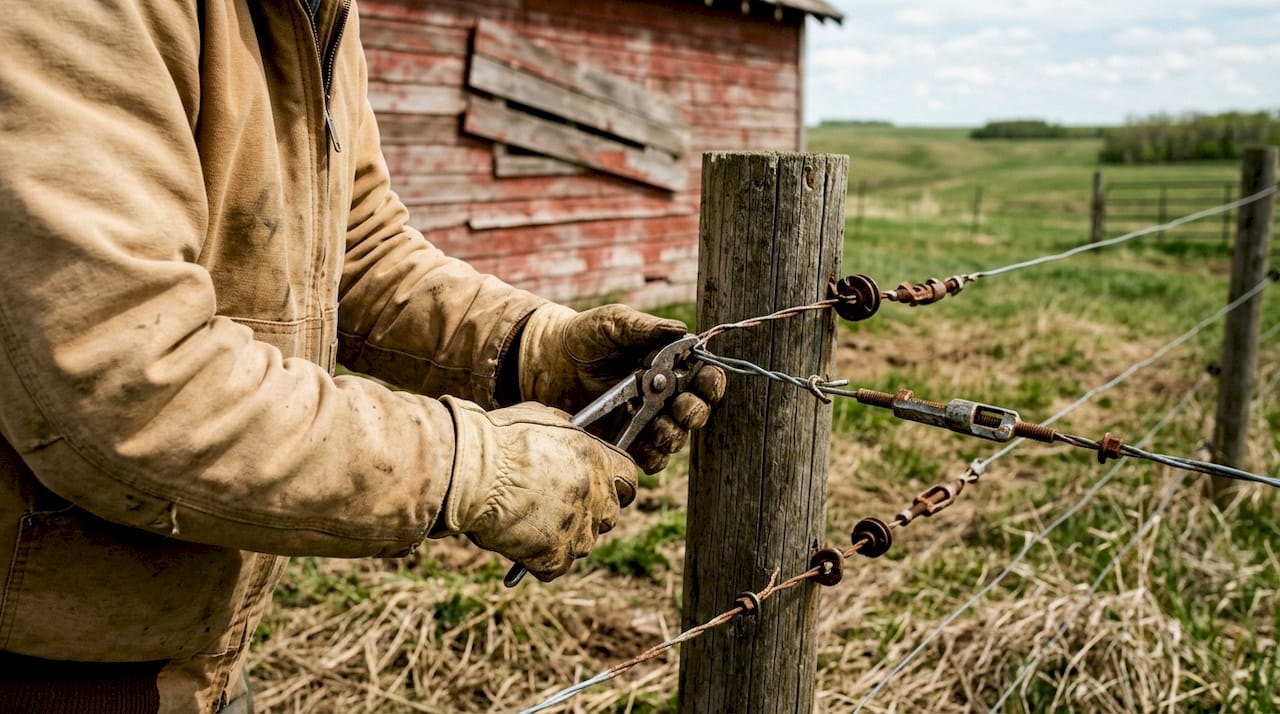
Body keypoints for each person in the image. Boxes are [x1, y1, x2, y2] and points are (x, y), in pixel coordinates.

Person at [0, 1, 725, 711]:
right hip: (45, 665)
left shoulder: (317, 15)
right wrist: (469, 468)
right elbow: (124, 373)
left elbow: (359, 250)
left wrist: (533, 349)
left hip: (189, 636)